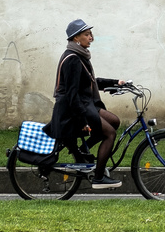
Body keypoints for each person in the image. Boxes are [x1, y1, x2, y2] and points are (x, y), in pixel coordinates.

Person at [43, 19, 125, 189]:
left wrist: (116, 82)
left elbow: (90, 81)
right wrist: (83, 122)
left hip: (85, 104)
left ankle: (83, 149)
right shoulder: (73, 58)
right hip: (72, 110)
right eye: (87, 35)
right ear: (75, 38)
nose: (91, 38)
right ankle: (99, 178)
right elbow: (72, 95)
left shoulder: (79, 55)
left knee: (115, 121)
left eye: (91, 34)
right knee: (109, 134)